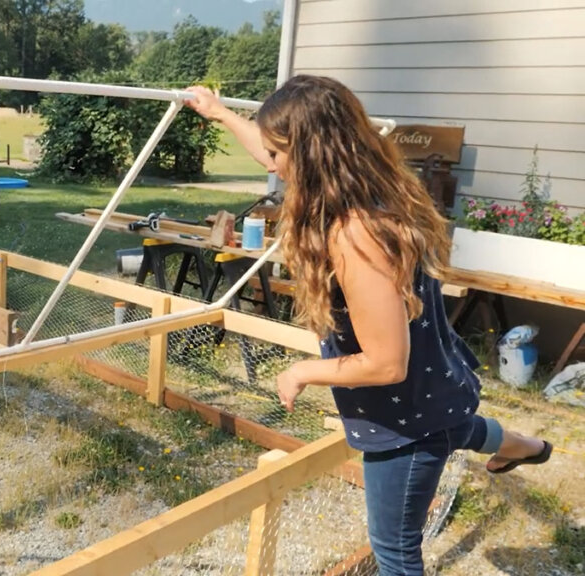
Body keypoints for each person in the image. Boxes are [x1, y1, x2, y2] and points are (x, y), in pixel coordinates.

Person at [184, 76, 553, 575]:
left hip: (405, 422)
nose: (270, 164)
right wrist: (221, 113)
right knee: (459, 428)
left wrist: (303, 372)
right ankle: (530, 448)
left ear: (312, 154)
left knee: (395, 553)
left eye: (278, 152)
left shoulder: (357, 237)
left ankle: (522, 448)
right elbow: (272, 154)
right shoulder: (371, 184)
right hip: (435, 388)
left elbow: (384, 364)